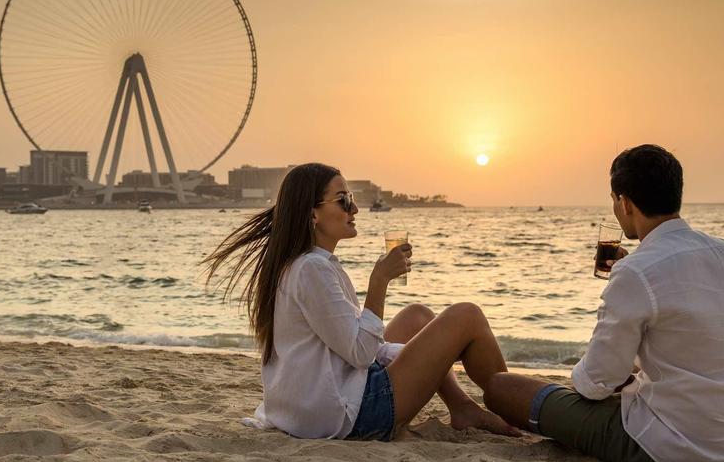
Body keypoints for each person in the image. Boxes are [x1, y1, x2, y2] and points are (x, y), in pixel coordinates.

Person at [483, 144, 724, 462]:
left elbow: (595, 383)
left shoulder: (636, 273)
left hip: (681, 448)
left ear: (624, 203)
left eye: (614, 199)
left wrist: (596, 374)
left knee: (501, 387)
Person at [204, 162, 521, 441]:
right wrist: (379, 282)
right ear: (312, 213)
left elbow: (351, 345)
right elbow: (359, 353)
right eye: (343, 201)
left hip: (314, 406)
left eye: (351, 199)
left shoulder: (302, 264)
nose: (354, 209)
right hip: (346, 415)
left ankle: (463, 407)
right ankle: (516, 406)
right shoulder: (312, 269)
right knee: (467, 315)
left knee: (418, 316)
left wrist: (416, 354)